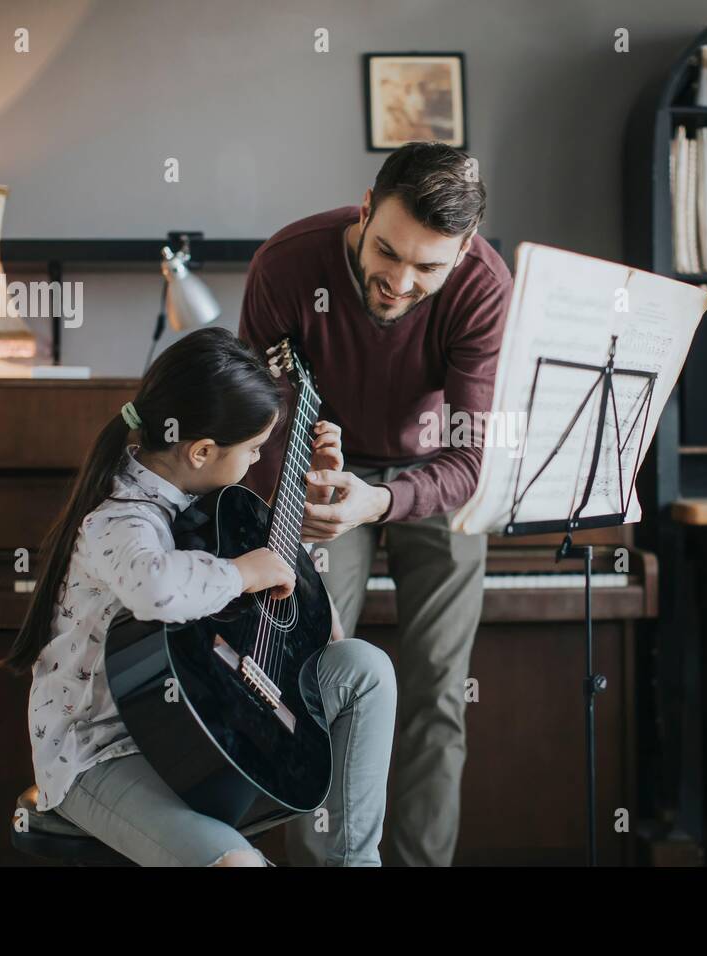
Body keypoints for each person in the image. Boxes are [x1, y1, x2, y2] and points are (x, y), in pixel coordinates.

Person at [1, 327, 397, 866]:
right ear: (202, 450)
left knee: (364, 667)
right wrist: (241, 572)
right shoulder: (119, 519)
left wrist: (299, 516)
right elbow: (159, 588)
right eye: (254, 450)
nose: (259, 462)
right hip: (99, 754)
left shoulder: (204, 497)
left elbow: (273, 593)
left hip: (202, 712)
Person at [240, 141, 513, 865]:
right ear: (365, 210)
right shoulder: (287, 266)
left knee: (439, 696)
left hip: (435, 477)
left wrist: (381, 500)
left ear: (464, 252)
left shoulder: (484, 286)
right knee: (308, 689)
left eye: (429, 267)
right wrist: (293, 486)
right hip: (320, 477)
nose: (399, 281)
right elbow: (254, 422)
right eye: (387, 252)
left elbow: (470, 460)